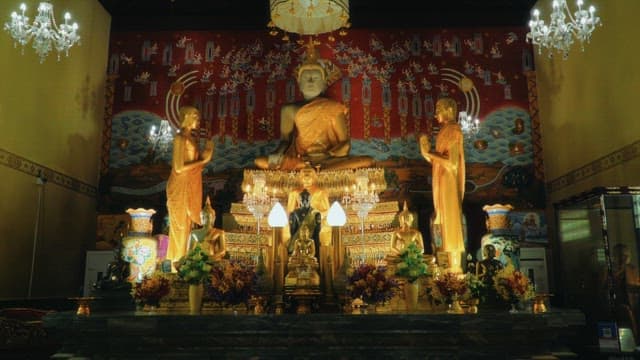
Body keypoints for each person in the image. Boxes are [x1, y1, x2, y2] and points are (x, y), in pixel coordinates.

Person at [254, 39, 373, 171]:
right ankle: (317, 171)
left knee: (367, 161)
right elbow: (285, 141)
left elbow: (345, 143)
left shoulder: (333, 107)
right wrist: (278, 153)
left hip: (328, 159)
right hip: (302, 159)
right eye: (306, 78)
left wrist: (327, 155)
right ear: (299, 83)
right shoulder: (289, 110)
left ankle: (315, 170)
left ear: (323, 84)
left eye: (315, 78)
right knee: (260, 161)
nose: (310, 81)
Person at [418, 97, 466, 272]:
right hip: (442, 177)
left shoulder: (453, 129)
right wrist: (425, 151)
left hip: (448, 180)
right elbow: (438, 163)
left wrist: (428, 152)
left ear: (449, 110)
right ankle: (450, 264)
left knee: (451, 220)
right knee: (445, 220)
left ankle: (455, 267)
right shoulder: (444, 131)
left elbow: (452, 163)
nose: (435, 112)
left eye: (439, 108)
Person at [166, 106, 214, 265]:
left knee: (187, 226)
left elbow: (195, 163)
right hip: (179, 185)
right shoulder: (179, 138)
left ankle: (185, 262)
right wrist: (202, 161)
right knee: (179, 227)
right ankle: (176, 264)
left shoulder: (192, 139)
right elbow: (178, 167)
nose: (198, 120)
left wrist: (207, 150)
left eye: (198, 116)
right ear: (185, 117)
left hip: (189, 183)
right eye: (195, 116)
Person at [189, 196, 226, 261]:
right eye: (203, 217)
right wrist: (194, 258)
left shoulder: (219, 232)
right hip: (198, 260)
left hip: (212, 259)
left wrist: (211, 258)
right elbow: (190, 251)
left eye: (207, 216)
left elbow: (222, 251)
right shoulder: (194, 233)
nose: (205, 219)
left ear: (213, 218)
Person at [287, 189, 321, 257]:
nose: (305, 202)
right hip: (298, 242)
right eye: (302, 200)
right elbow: (293, 231)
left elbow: (317, 231)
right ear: (299, 200)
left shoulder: (315, 213)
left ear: (310, 200)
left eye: (307, 200)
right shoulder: (294, 213)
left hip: (311, 241)